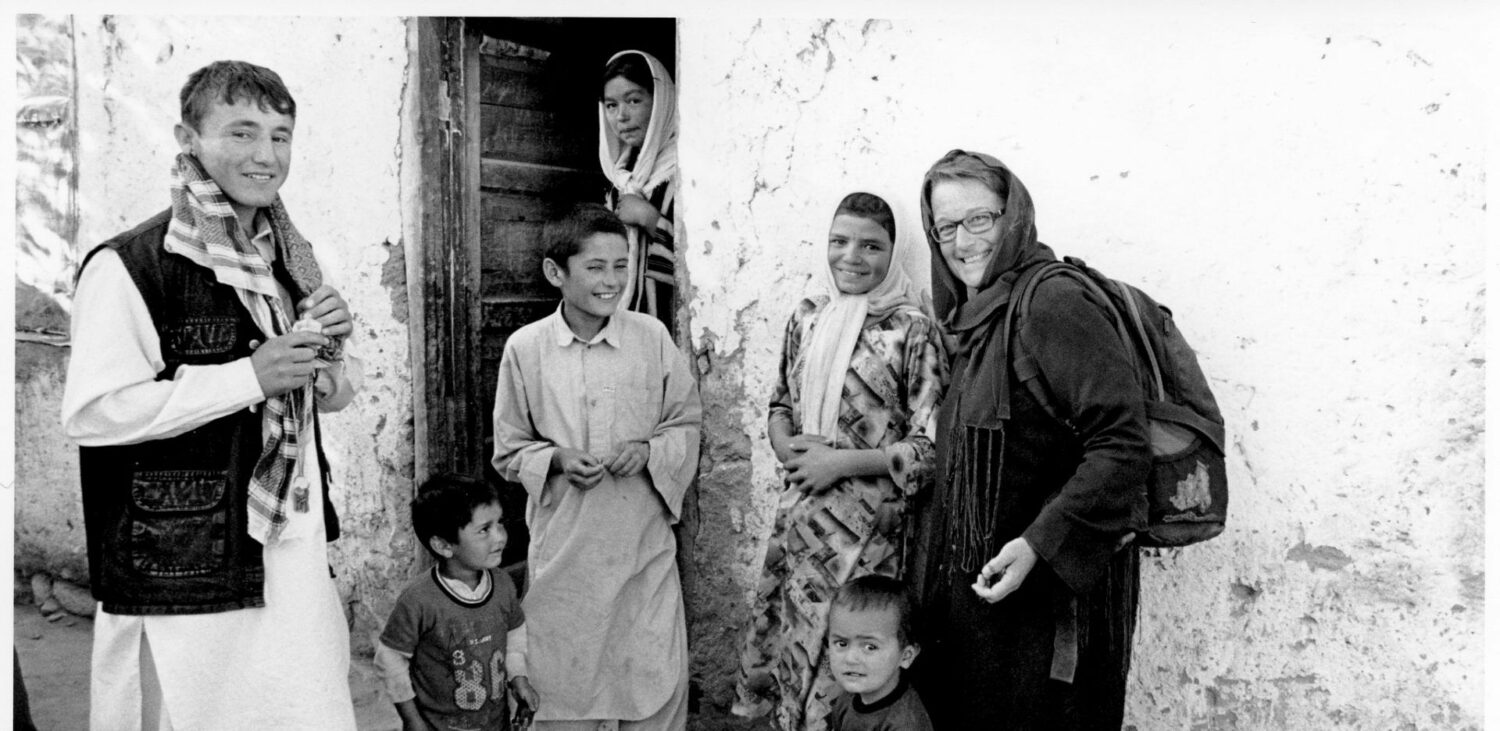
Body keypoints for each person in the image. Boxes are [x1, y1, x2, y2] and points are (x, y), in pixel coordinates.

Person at [60, 60, 362, 728]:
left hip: (288, 549)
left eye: (281, 135)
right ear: (188, 137)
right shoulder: (129, 265)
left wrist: (331, 355)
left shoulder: (291, 259)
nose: (267, 155)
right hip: (183, 564)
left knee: (297, 707)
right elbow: (92, 412)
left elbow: (327, 397)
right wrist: (248, 377)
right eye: (243, 132)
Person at [911, 149, 1150, 729]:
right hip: (991, 610)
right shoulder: (976, 318)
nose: (963, 242)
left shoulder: (1053, 302)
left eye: (979, 220)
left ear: (1011, 215)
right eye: (946, 228)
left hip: (1050, 610)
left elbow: (1122, 444)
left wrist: (1038, 544)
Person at [733, 191, 949, 731]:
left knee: (849, 651)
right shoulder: (807, 317)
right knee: (793, 644)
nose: (852, 256)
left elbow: (930, 448)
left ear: (893, 255)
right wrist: (785, 444)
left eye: (871, 246)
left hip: (866, 534)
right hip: (800, 520)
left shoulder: (911, 331)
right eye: (839, 241)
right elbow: (780, 402)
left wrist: (841, 463)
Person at [491, 203, 702, 729]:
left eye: (621, 266)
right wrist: (557, 459)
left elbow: (685, 424)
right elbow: (509, 449)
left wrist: (650, 451)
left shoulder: (651, 338)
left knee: (650, 678)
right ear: (555, 272)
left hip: (640, 546)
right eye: (595, 267)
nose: (611, 281)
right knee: (562, 686)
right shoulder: (527, 348)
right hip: (566, 549)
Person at [376, 473, 538, 731]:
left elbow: (514, 634)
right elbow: (390, 658)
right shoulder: (419, 600)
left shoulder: (503, 584)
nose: (500, 537)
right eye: (484, 530)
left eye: (500, 523)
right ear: (443, 545)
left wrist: (519, 678)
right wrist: (413, 720)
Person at [598, 49, 679, 331]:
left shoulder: (685, 175)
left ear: (660, 103)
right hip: (622, 329)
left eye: (634, 100)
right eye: (610, 105)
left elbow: (703, 266)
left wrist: (649, 219)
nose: (621, 116)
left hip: (671, 329)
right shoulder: (620, 178)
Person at [826, 575, 934, 731]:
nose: (850, 659)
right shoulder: (848, 697)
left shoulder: (905, 725)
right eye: (842, 644)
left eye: (870, 647)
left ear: (905, 656)